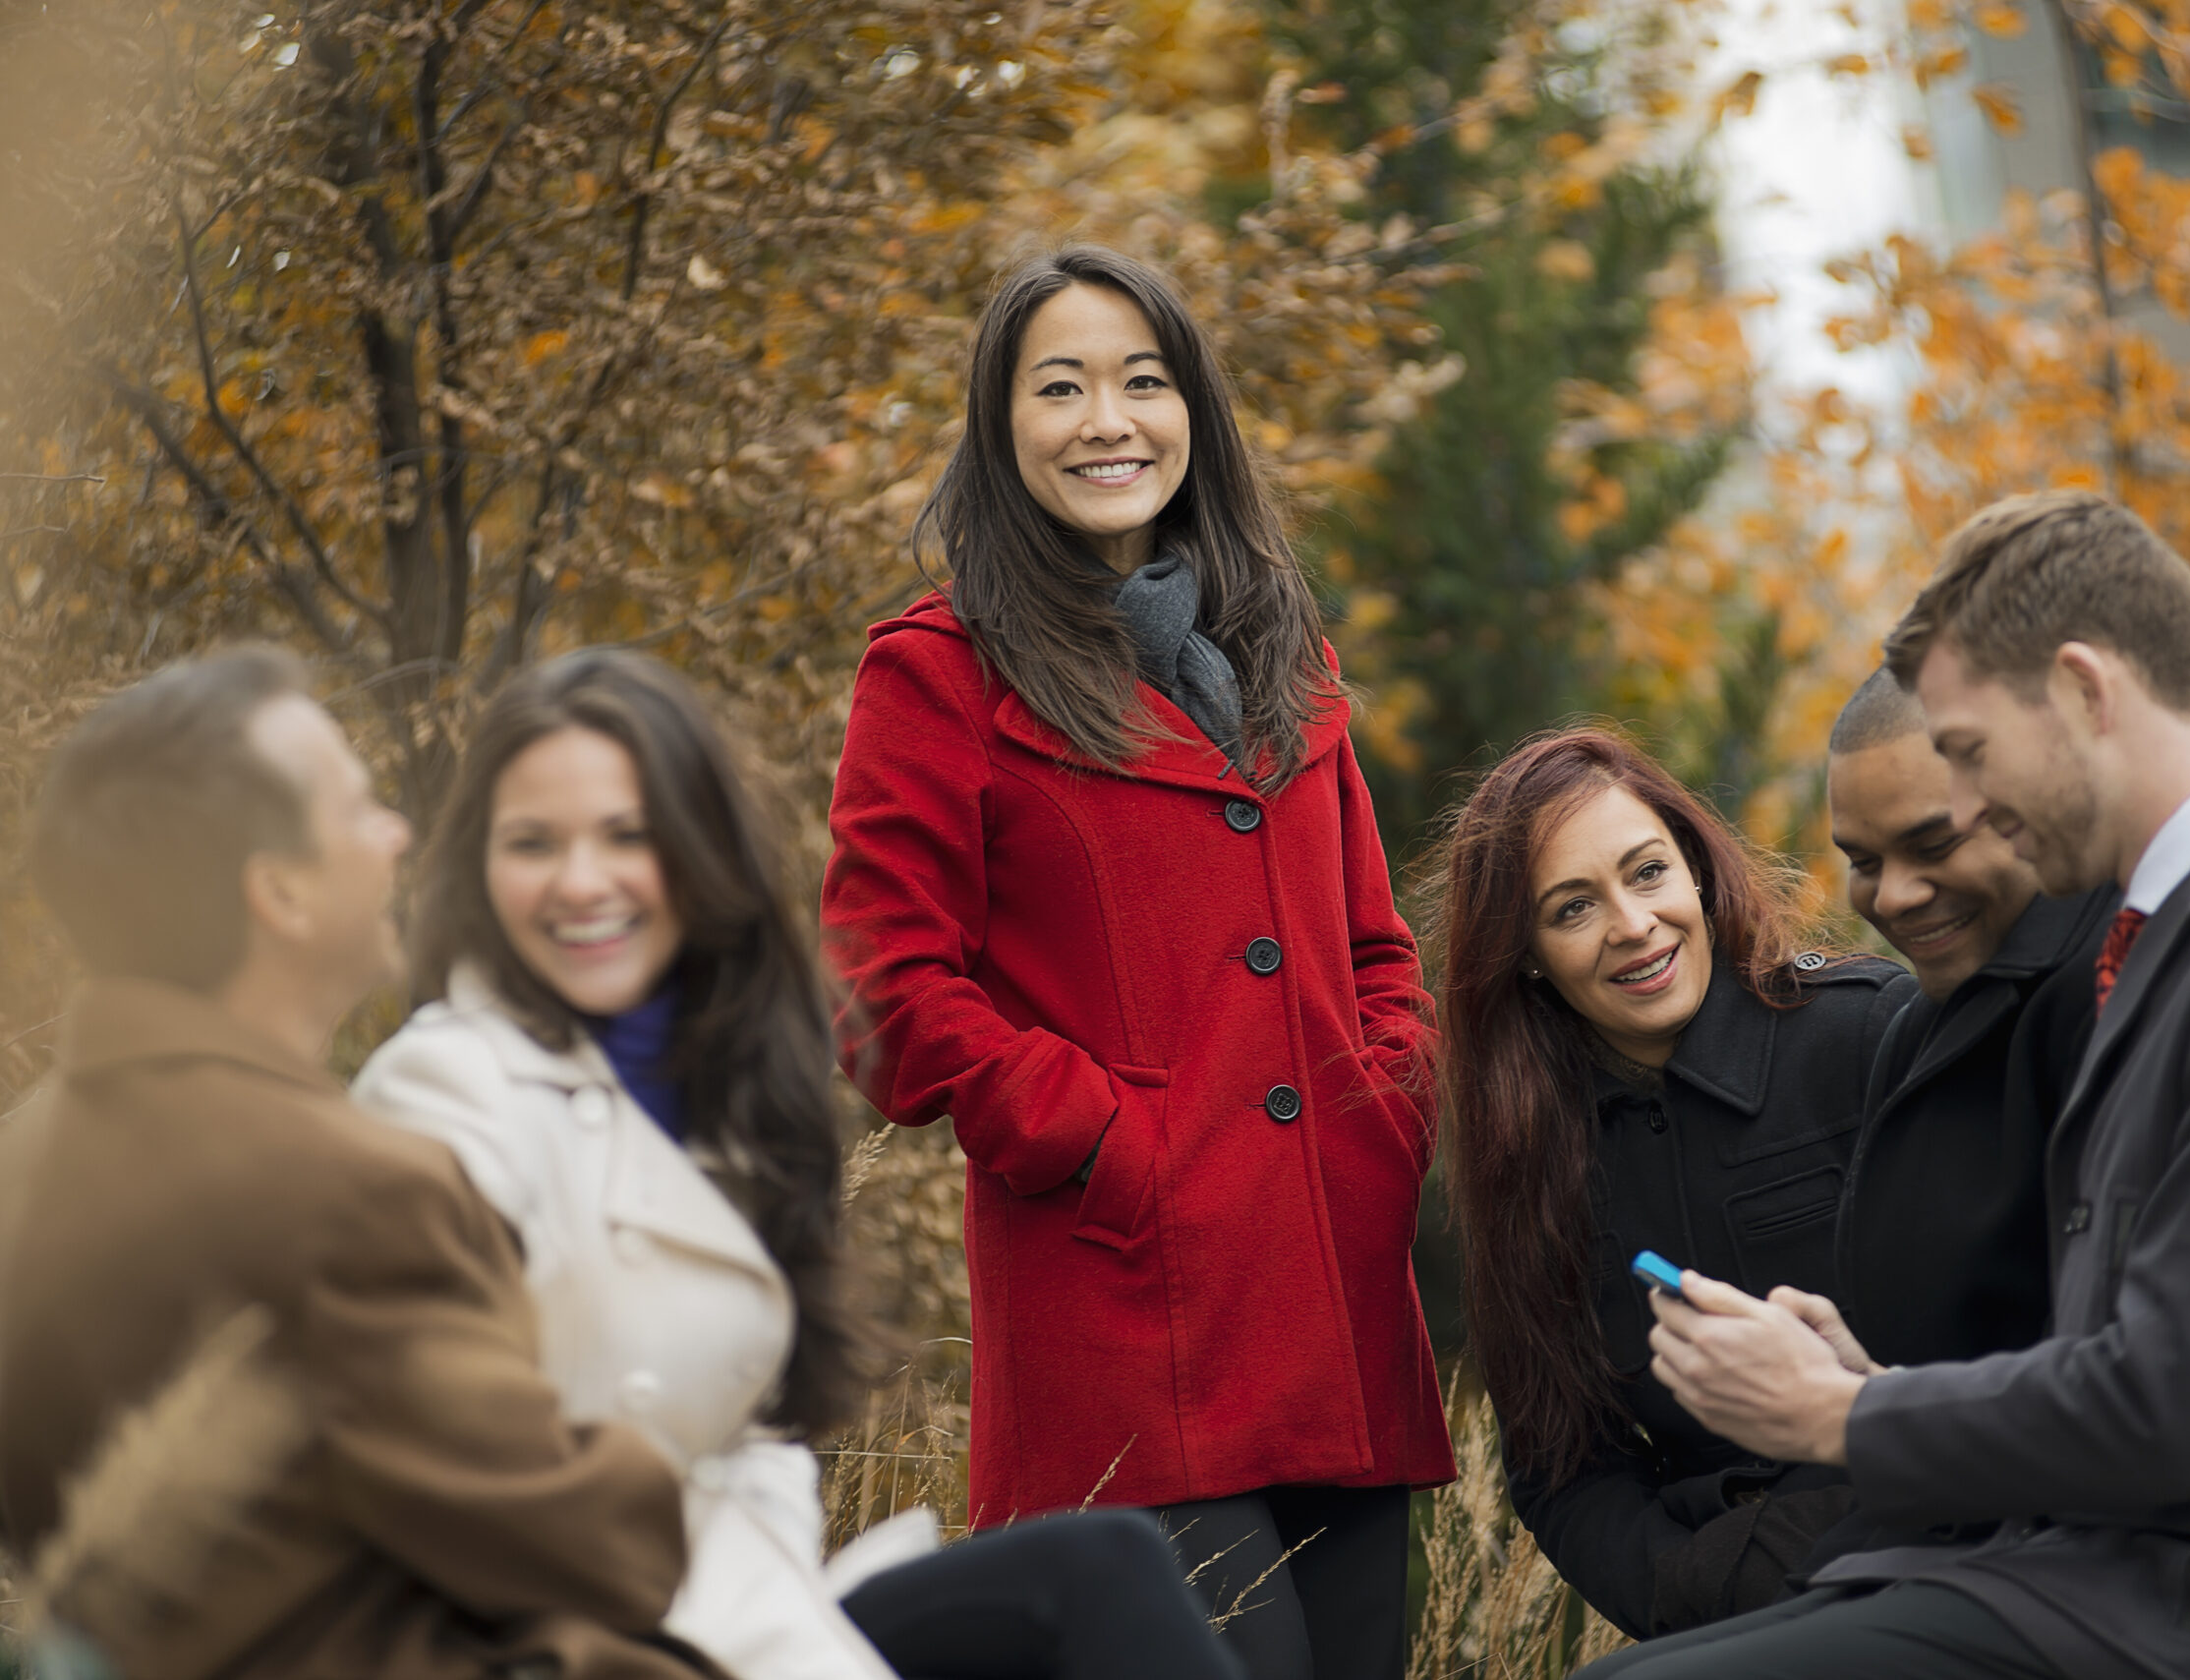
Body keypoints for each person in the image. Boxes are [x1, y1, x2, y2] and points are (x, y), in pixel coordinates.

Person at [1604, 490, 2190, 1680]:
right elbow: (2151, 1357)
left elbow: (2176, 1406)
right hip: (2123, 1574)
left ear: (2085, 692)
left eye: (1972, 755)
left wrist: (1839, 1416)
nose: (1974, 807)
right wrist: (1872, 1380)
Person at [353, 648, 1246, 1680]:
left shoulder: (728, 1090)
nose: (580, 880)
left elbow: (760, 1437)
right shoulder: (446, 1089)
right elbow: (427, 1473)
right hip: (564, 1639)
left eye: (626, 834)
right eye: (532, 842)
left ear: (698, 852)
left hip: (742, 1608)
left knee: (1101, 1567)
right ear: (478, 867)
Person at [821, 244, 1453, 1680]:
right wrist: (1106, 1137)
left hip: (1332, 1305)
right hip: (1125, 1319)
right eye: (1061, 386)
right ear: (1003, 427)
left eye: (1141, 380)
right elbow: (887, 993)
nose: (1107, 418)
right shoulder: (937, 669)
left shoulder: (1287, 652)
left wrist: (1385, 1102)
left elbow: (1373, 943)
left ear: (1193, 413)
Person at [0, 648, 706, 1680]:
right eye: (361, 804)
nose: (398, 833)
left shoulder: (23, 1159)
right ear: (279, 891)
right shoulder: (353, 1190)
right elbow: (607, 1548)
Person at [1431, 726, 1914, 1641]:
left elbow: (2013, 1338)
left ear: (1694, 867)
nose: (1633, 925)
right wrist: (1686, 1591)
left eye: (1647, 872)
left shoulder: (1869, 1035)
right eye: (1572, 908)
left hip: (1924, 1552)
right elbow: (1561, 1466)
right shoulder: (1529, 1161)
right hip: (1712, 1605)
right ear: (1526, 953)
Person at [1825, 666, 2115, 1369]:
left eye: (1934, 845)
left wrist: (1864, 1413)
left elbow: (2125, 1376)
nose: (1891, 896)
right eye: (1863, 860)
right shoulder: (1915, 1030)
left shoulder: (2125, 996)